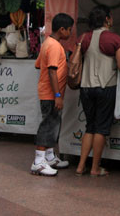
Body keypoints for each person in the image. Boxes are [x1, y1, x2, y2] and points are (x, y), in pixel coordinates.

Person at [75, 5, 120, 177]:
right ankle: (95, 168)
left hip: (85, 87)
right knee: (101, 129)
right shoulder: (114, 39)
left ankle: (81, 166)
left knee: (89, 127)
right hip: (106, 87)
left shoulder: (83, 38)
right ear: (107, 19)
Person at [31, 13, 74, 176]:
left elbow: (38, 65)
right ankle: (38, 161)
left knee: (54, 124)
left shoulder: (47, 43)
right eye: (69, 30)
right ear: (62, 29)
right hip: (50, 94)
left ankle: (49, 156)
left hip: (47, 92)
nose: (70, 33)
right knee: (48, 125)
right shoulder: (55, 46)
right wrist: (57, 95)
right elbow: (51, 71)